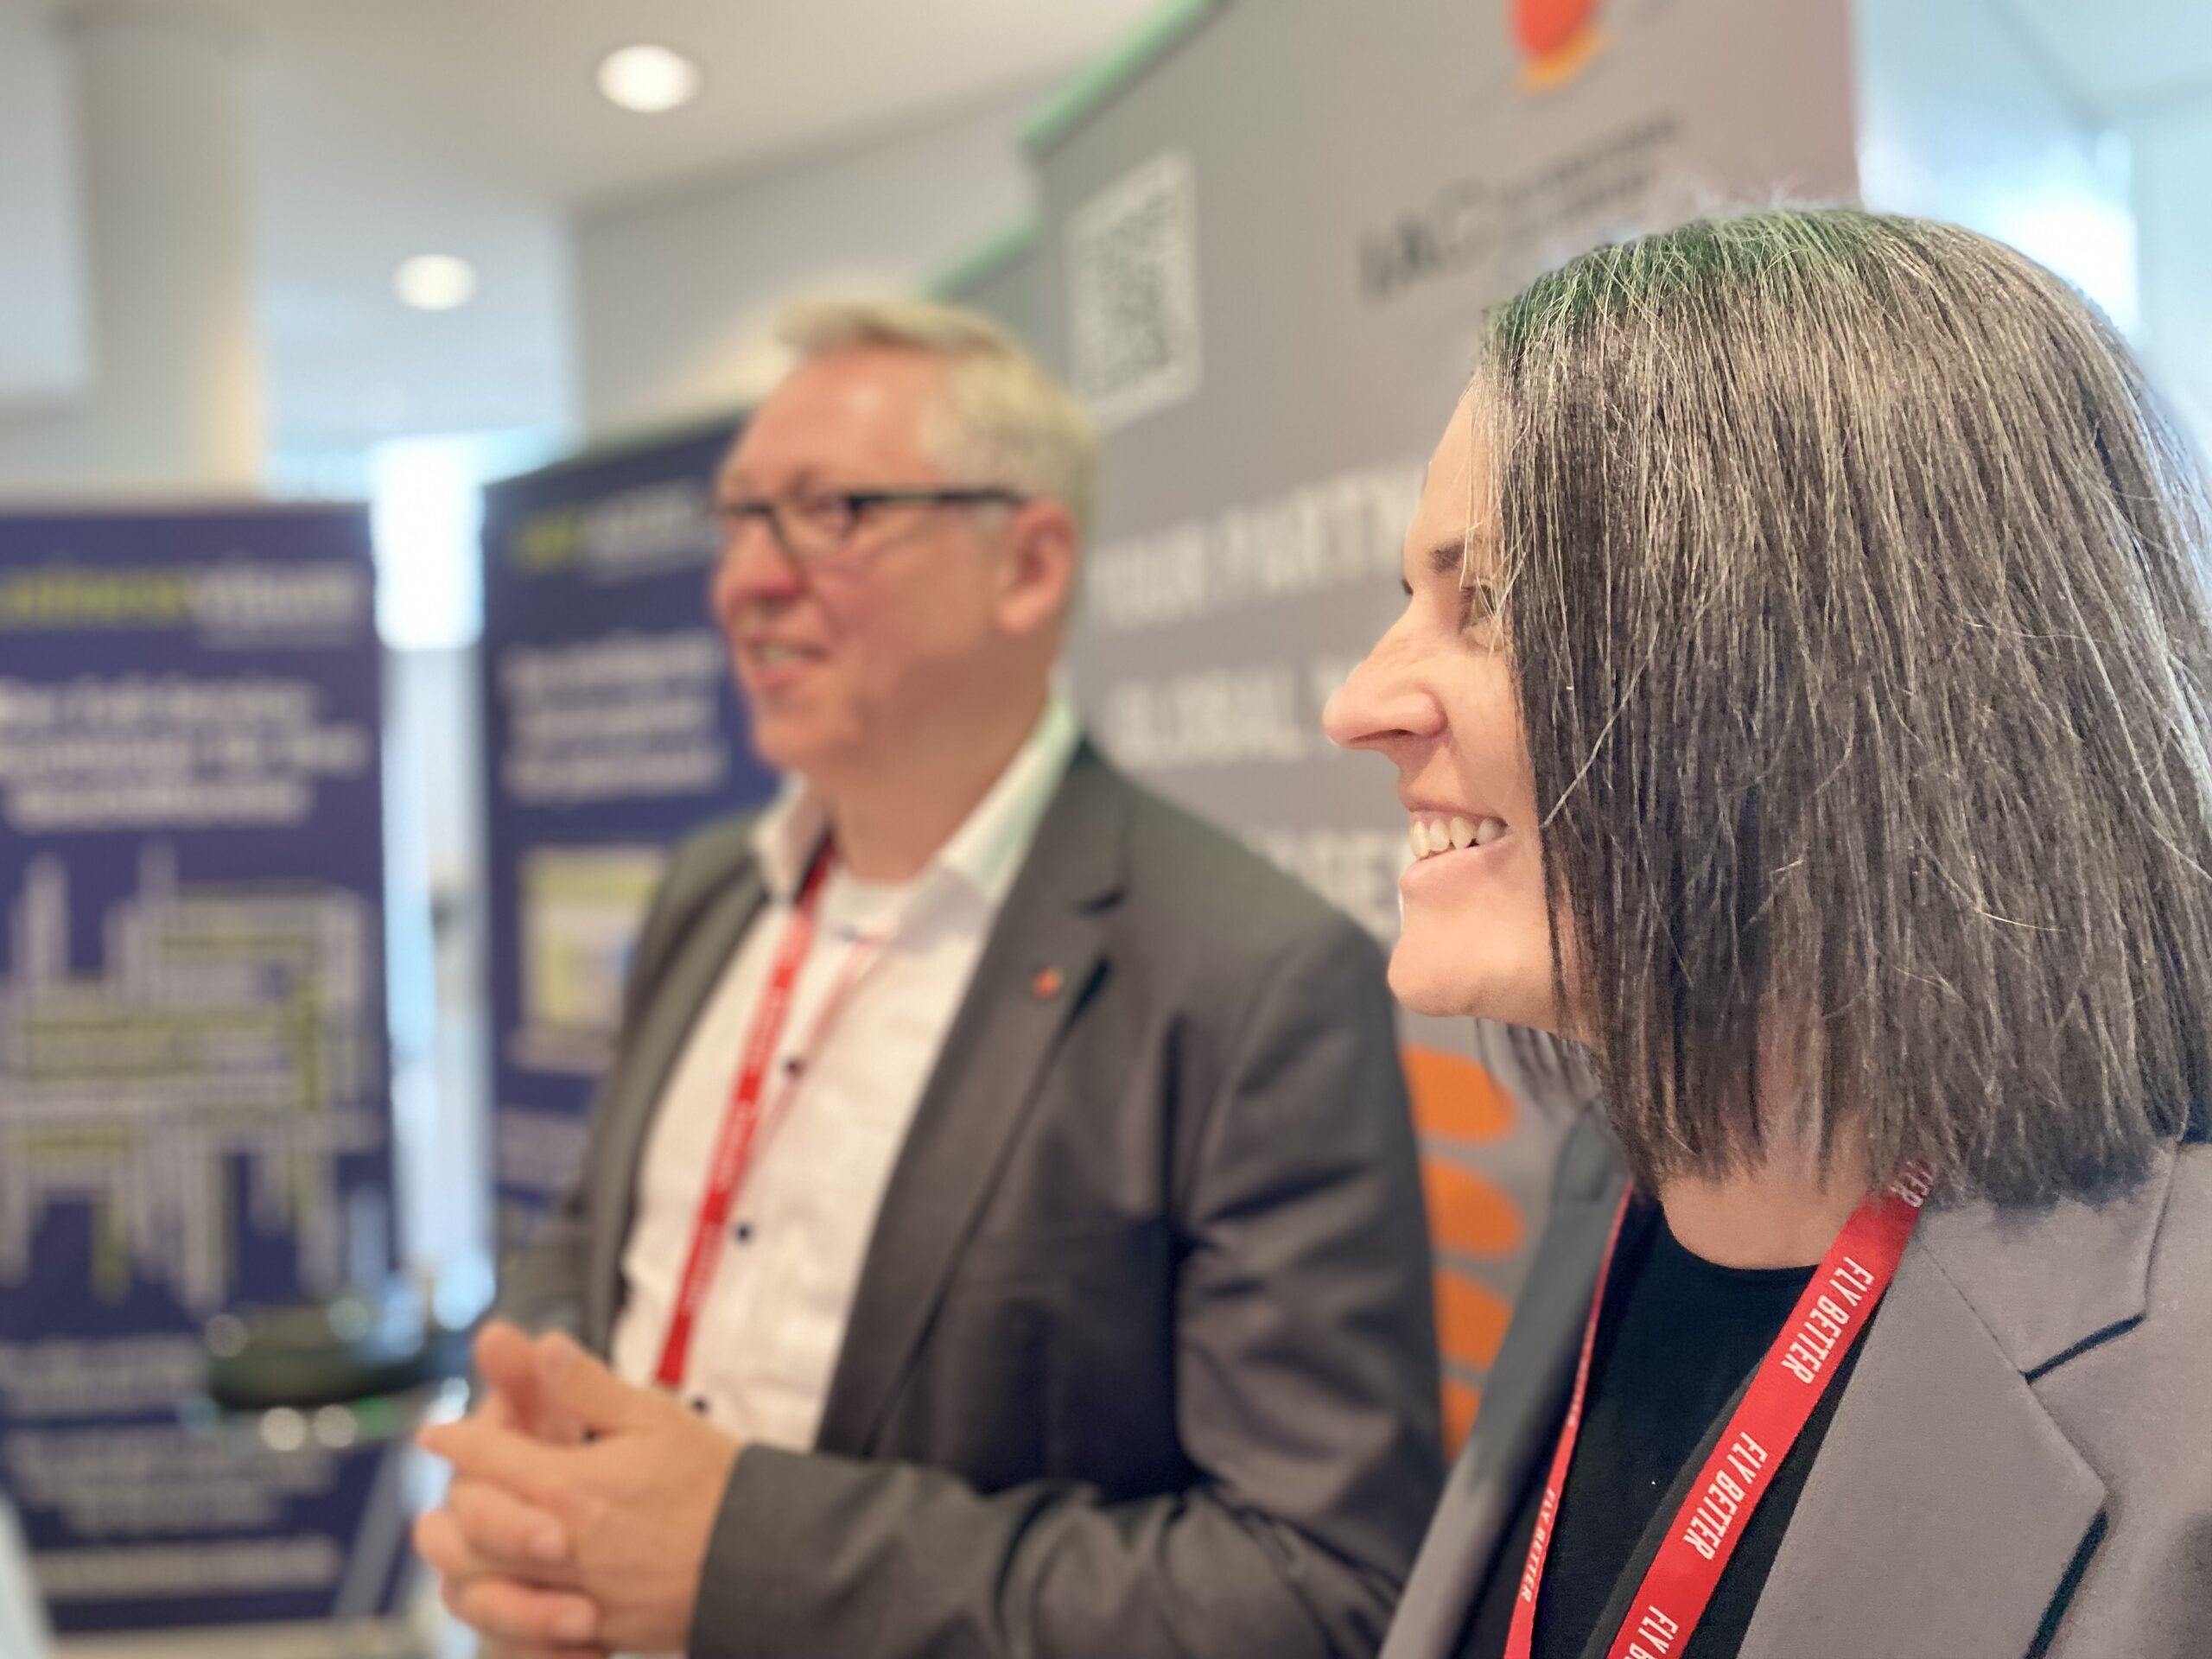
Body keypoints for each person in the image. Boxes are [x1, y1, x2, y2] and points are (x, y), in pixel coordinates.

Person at [414, 297, 1443, 1659]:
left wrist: (741, 1560)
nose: (745, 583)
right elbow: (606, 1222)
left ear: (1027, 563)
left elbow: (1318, 1585)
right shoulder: (710, 891)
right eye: (735, 520)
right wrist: (534, 1465)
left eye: (828, 512)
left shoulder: (1250, 979)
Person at [1325, 207, 2212, 1659]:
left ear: (1826, 672)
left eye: (1489, 604)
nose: (1361, 702)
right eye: (1411, 601)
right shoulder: (1617, 1200)